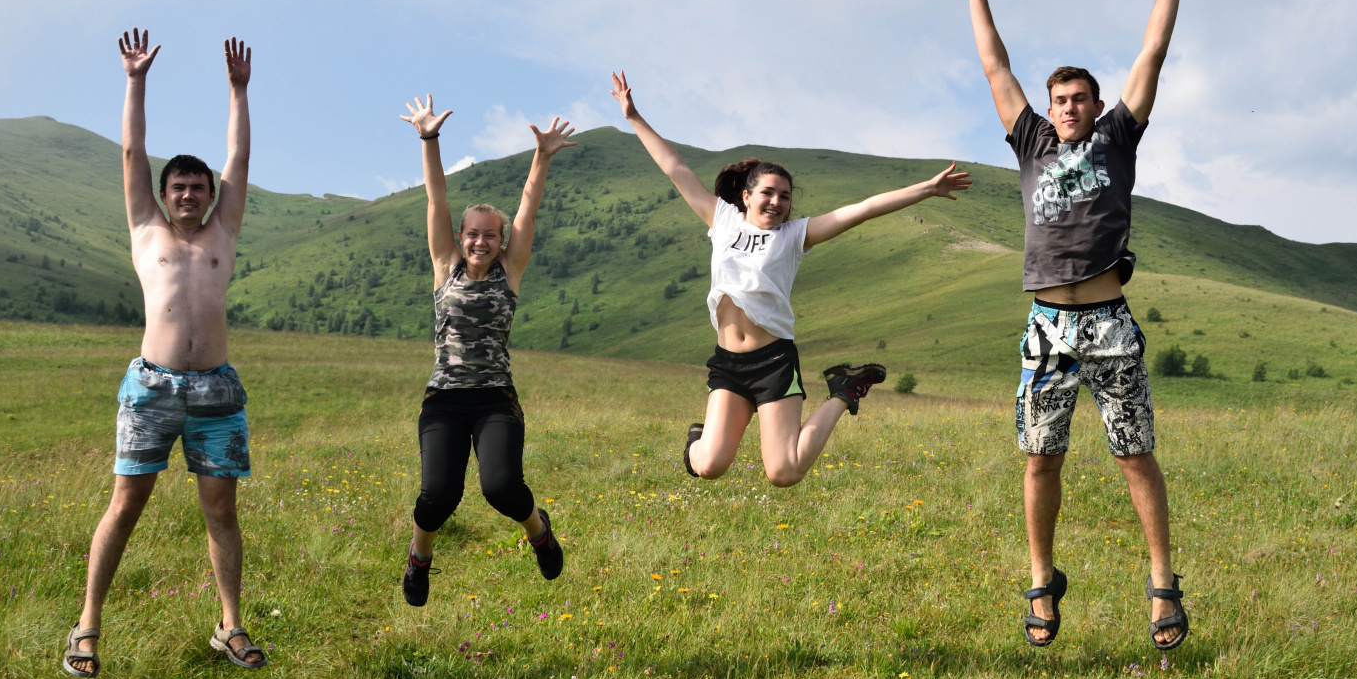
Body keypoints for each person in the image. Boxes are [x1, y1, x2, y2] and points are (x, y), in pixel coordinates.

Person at [965, 0, 1194, 651]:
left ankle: (1162, 583)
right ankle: (1041, 579)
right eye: (1059, 99)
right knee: (1041, 457)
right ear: (1049, 106)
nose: (1067, 109)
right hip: (1046, 330)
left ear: (1095, 107)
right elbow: (997, 70)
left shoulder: (1118, 137)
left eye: (1079, 100)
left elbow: (1151, 53)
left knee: (1134, 453)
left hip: (1109, 324)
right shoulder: (1029, 141)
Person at [610, 71, 972, 487]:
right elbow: (674, 167)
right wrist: (634, 116)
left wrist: (926, 189)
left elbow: (864, 209)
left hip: (773, 363)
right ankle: (699, 439)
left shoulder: (794, 236)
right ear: (746, 195)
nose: (777, 201)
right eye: (767, 192)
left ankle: (844, 390)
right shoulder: (721, 219)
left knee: (784, 472)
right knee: (707, 466)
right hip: (728, 363)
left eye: (784, 196)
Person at [65, 30, 265, 679]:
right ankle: (87, 627)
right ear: (164, 192)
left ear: (210, 194)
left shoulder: (223, 230)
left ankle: (230, 625)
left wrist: (238, 92)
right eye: (176, 186)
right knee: (126, 503)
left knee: (221, 508)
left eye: (195, 187)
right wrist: (135, 79)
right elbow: (131, 150)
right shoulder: (145, 227)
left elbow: (238, 156)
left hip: (215, 391)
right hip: (151, 388)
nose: (186, 195)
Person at [398, 95, 575, 607]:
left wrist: (541, 157)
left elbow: (528, 206)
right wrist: (429, 140)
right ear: (461, 238)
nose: (480, 242)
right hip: (444, 399)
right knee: (438, 498)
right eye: (472, 234)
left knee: (501, 489)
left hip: (495, 397)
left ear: (502, 241)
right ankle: (419, 557)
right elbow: (436, 200)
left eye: (489, 235)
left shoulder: (509, 272)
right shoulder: (445, 267)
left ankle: (539, 532)